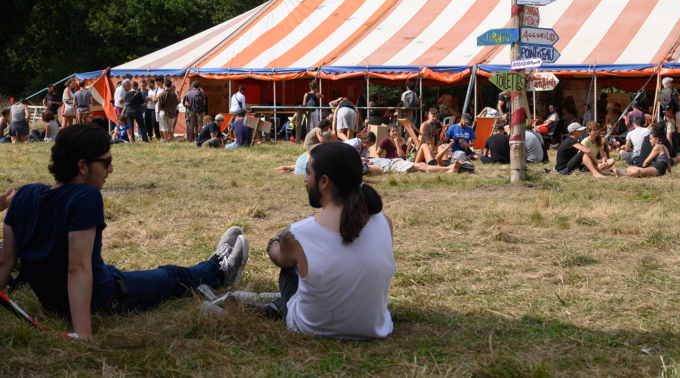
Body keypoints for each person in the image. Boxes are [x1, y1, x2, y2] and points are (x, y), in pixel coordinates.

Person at [0, 124, 249, 339]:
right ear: (82, 166)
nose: (111, 170)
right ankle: (219, 271)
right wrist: (83, 333)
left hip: (54, 299)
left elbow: (6, 260)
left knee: (113, 271)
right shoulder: (85, 197)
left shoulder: (25, 194)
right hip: (104, 298)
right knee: (171, 276)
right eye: (106, 162)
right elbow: (77, 268)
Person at [264, 141, 395, 339]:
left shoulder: (297, 234)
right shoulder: (385, 222)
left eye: (308, 173)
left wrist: (275, 239)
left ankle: (280, 306)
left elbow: (278, 257)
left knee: (291, 268)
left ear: (324, 181)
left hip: (311, 329)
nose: (305, 179)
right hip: (375, 329)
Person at [658, 77, 680, 154]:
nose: (672, 84)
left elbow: (662, 105)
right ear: (666, 83)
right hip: (677, 113)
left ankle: (670, 150)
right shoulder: (674, 91)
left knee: (669, 132)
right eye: (671, 83)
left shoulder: (659, 93)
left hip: (667, 114)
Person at [157, 78, 179, 143]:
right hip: (172, 112)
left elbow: (159, 105)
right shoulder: (173, 94)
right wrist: (174, 112)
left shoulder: (161, 94)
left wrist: (159, 112)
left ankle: (166, 141)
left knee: (163, 128)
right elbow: (176, 105)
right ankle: (171, 140)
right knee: (171, 128)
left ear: (164, 84)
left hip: (163, 112)